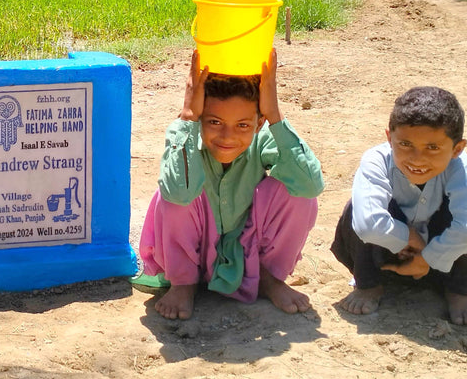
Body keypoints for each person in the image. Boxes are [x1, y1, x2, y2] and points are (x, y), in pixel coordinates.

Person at [138, 49, 324, 320]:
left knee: (298, 193)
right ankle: (183, 284)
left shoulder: (263, 136)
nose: (228, 136)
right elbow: (177, 191)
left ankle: (268, 279)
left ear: (258, 123)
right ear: (200, 117)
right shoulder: (189, 140)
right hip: (195, 256)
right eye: (214, 122)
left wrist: (275, 115)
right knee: (175, 192)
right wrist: (187, 115)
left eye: (243, 125)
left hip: (248, 255)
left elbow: (311, 185)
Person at [331, 87, 467, 324]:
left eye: (433, 148)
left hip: (446, 261)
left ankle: (459, 289)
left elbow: (465, 228)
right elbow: (368, 224)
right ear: (389, 138)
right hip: (386, 257)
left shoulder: (462, 167)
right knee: (357, 208)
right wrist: (409, 237)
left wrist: (427, 258)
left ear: (457, 149)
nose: (417, 158)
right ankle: (369, 284)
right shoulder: (376, 160)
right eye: (405, 144)